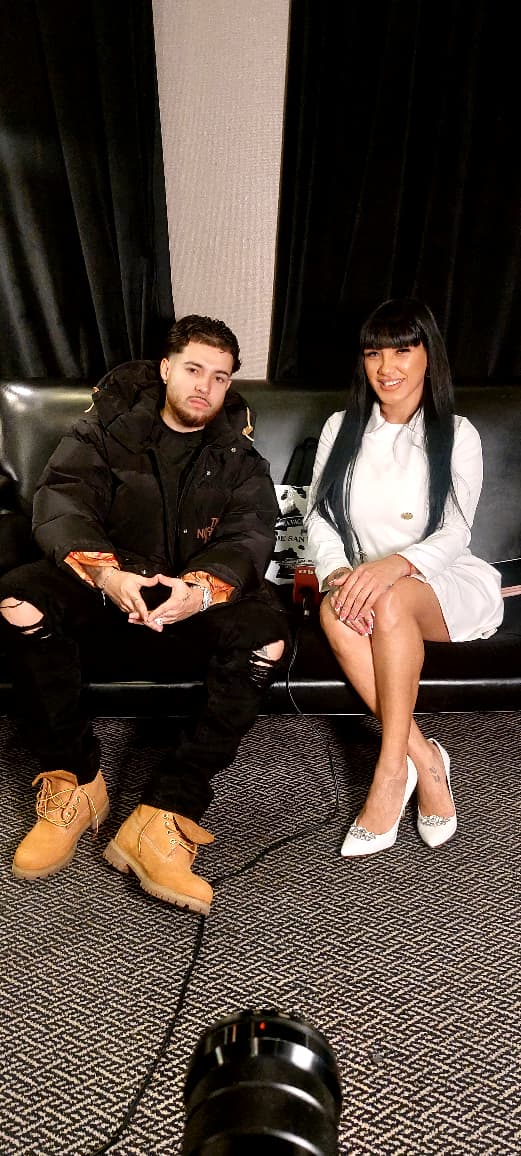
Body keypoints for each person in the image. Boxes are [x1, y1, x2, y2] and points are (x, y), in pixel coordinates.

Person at [0, 315, 290, 914]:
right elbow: (62, 500)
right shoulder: (102, 429)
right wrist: (108, 575)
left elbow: (250, 533)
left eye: (219, 376)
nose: (205, 386)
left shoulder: (240, 455)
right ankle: (75, 781)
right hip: (109, 587)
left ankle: (164, 815)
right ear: (165, 368)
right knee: (18, 597)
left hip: (188, 599)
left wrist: (200, 590)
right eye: (193, 369)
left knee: (268, 638)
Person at [305, 297, 504, 857]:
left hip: (442, 581)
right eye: (374, 353)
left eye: (402, 351)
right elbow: (319, 517)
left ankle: (390, 770)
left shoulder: (457, 433)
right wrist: (338, 572)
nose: (386, 367)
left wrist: (395, 567)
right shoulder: (341, 427)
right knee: (334, 611)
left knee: (390, 600)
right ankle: (425, 758)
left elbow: (456, 532)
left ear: (427, 357)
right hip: (365, 578)